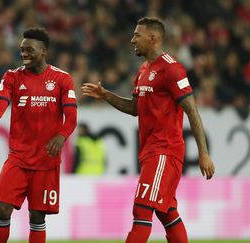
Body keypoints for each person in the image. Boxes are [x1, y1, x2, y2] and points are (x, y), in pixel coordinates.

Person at [82, 17, 215, 243]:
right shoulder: (143, 69)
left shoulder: (172, 69)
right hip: (150, 152)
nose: (132, 39)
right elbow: (134, 108)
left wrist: (203, 153)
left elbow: (192, 110)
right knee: (166, 212)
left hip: (165, 151)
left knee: (141, 210)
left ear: (152, 38)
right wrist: (107, 96)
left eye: (137, 35)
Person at [0, 27, 77, 243]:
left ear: (43, 51)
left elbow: (71, 118)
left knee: (37, 216)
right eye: (22, 50)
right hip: (18, 159)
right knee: (3, 209)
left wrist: (61, 136)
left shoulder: (62, 79)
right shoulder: (12, 77)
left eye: (29, 50)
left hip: (46, 162)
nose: (24, 54)